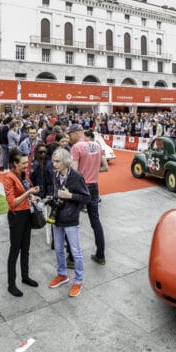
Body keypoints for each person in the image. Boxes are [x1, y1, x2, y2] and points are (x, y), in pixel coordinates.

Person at [46, 147, 91, 297]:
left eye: (57, 161)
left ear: (66, 161)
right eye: (53, 161)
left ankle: (78, 281)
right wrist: (50, 199)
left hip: (71, 219)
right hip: (57, 217)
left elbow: (86, 198)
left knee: (76, 252)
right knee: (58, 249)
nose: (54, 164)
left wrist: (69, 195)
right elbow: (56, 192)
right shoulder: (56, 174)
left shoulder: (76, 176)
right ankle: (62, 274)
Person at [1, 150, 41, 297]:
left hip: (27, 214)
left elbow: (25, 196)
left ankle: (25, 277)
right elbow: (12, 203)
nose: (27, 165)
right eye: (24, 163)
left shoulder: (24, 174)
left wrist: (33, 196)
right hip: (16, 216)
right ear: (15, 163)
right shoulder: (9, 177)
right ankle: (11, 284)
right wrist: (28, 192)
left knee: (26, 248)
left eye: (27, 162)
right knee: (15, 250)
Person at [68, 123, 106, 265]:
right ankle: (100, 255)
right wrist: (92, 171)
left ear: (76, 133)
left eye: (70, 134)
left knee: (73, 221)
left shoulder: (76, 148)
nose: (69, 137)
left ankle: (72, 258)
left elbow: (74, 172)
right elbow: (105, 167)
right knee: (95, 221)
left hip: (80, 187)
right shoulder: (96, 145)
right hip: (94, 186)